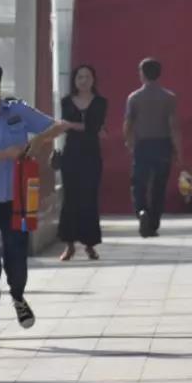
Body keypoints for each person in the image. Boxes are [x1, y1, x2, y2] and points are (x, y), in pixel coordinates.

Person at [0, 61, 69, 348]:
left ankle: (18, 296)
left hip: (16, 199)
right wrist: (4, 153)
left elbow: (57, 126)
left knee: (16, 259)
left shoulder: (17, 111)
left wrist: (37, 142)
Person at [124, 57, 184, 238]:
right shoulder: (169, 97)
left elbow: (128, 123)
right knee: (159, 185)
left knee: (139, 184)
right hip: (163, 144)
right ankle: (154, 223)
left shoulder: (134, 97)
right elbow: (173, 125)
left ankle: (141, 211)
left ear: (142, 74)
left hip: (142, 144)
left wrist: (129, 141)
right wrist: (177, 150)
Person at [58, 64, 108, 261]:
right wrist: (78, 126)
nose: (84, 80)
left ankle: (90, 245)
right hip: (71, 155)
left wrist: (72, 125)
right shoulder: (66, 101)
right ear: (74, 80)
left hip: (91, 155)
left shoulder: (101, 102)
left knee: (89, 198)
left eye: (87, 77)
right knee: (70, 199)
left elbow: (94, 126)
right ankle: (69, 245)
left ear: (93, 80)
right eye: (80, 77)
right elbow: (65, 125)